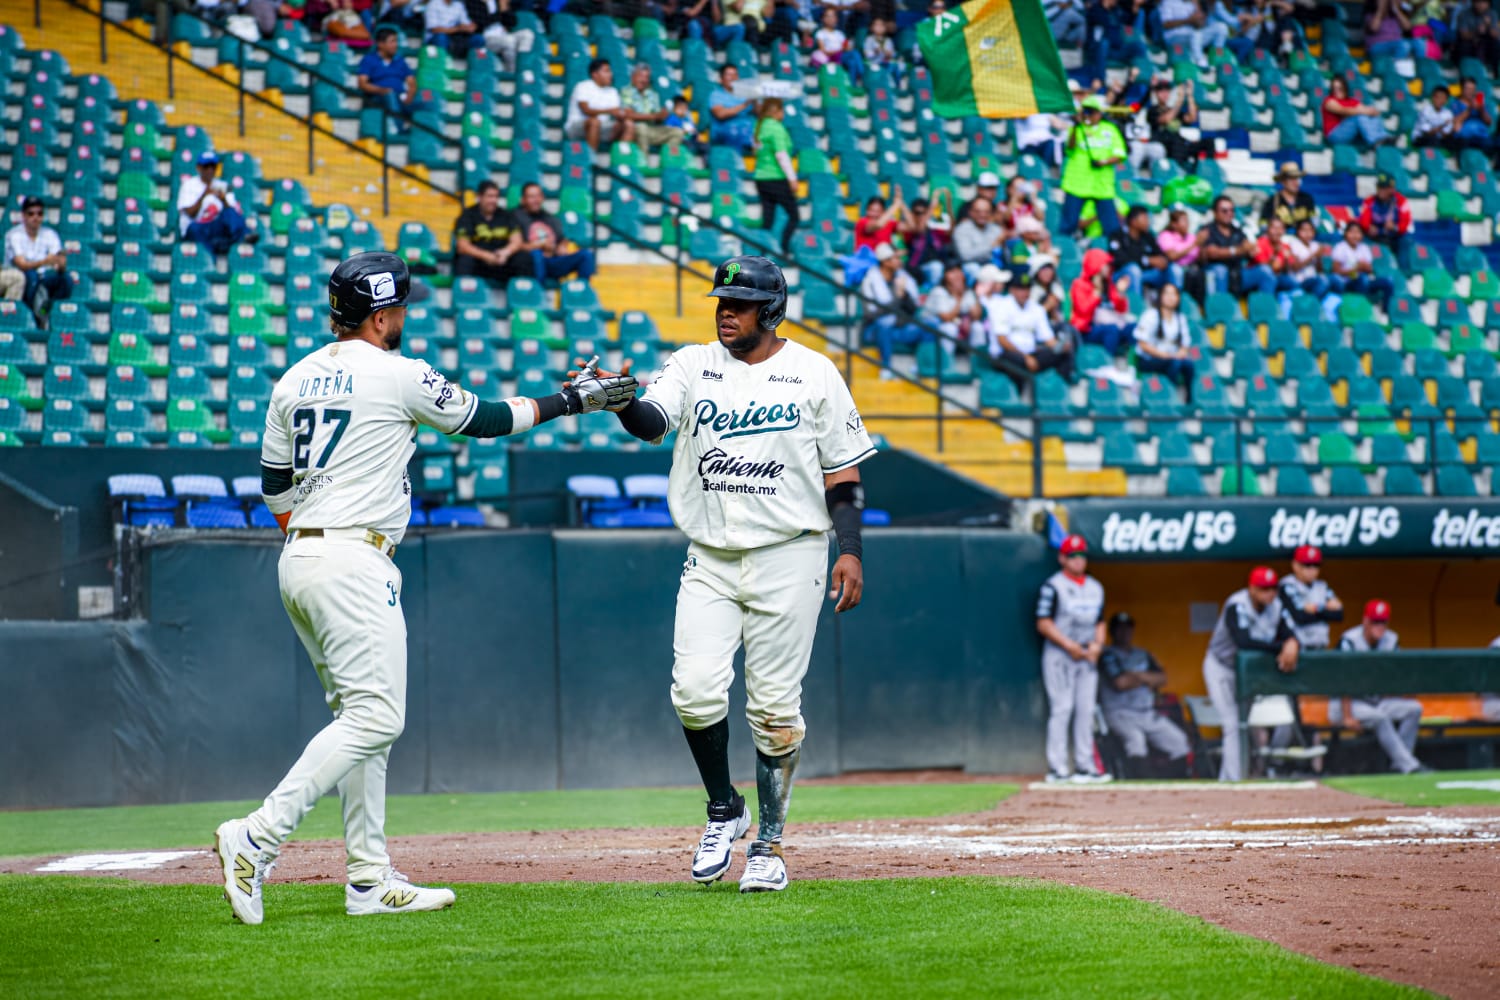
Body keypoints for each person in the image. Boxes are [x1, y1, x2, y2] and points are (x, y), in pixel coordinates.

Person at [214, 251, 636, 925]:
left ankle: (369, 879)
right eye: (400, 308)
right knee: (377, 718)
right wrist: (575, 401)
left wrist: (317, 535)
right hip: (354, 558)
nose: (404, 316)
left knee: (361, 722)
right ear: (382, 315)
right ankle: (257, 836)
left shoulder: (293, 378)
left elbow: (273, 490)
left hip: (302, 556)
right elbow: (491, 419)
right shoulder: (399, 373)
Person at [603, 254, 875, 893]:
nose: (726, 311)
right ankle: (724, 808)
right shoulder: (691, 363)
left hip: (793, 553)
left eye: (741, 303)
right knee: (694, 691)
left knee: (775, 708)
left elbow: (844, 472)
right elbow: (652, 422)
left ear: (771, 310)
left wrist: (852, 547)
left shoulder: (813, 373)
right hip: (711, 556)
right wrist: (621, 403)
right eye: (722, 301)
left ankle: (771, 846)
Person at [1202, 567, 1300, 782]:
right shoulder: (1237, 604)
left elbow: (1290, 634)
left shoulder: (1277, 607)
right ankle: (1234, 780)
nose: (1269, 593)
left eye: (1272, 588)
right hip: (1222, 667)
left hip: (1247, 673)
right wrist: (1281, 646)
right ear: (1252, 589)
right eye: (1263, 589)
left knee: (1247, 725)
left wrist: (1292, 642)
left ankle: (1239, 776)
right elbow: (1243, 642)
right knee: (1232, 723)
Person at [1036, 534, 1110, 783]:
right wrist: (1069, 645)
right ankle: (1057, 768)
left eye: (1081, 556)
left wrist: (1098, 646)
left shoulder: (1095, 587)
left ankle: (1085, 766)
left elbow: (1100, 622)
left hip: (1087, 656)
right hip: (1060, 655)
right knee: (1062, 708)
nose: (1078, 560)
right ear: (1062, 558)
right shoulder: (1053, 586)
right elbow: (1043, 623)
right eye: (1072, 556)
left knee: (1086, 710)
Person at [1335, 601, 1432, 774]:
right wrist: (1347, 716)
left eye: (1382, 622)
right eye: (1375, 622)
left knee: (1414, 709)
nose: (1379, 627)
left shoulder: (1391, 639)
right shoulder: (1349, 640)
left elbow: (1395, 674)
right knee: (1380, 718)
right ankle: (1410, 766)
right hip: (1349, 703)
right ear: (1365, 621)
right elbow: (1343, 681)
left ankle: (1400, 764)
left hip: (1376, 700)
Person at [1098, 612, 1192, 778]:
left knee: (1179, 741)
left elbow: (1162, 678)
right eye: (1120, 629)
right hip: (1119, 712)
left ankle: (1174, 785)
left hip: (1146, 712)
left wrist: (1136, 675)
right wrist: (1147, 678)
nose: (1124, 632)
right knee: (1135, 741)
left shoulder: (1142, 654)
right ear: (1112, 631)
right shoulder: (1107, 655)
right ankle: (1141, 785)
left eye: (1128, 628)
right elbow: (1121, 683)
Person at [987, 270, 1074, 382]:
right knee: (1018, 363)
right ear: (1012, 290)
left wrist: (1059, 346)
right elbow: (1002, 341)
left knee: (1064, 353)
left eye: (1027, 288)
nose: (1025, 292)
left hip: (1031, 353)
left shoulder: (1036, 309)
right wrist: (1025, 357)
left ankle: (1058, 389)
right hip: (1005, 354)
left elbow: (1048, 338)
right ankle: (1018, 396)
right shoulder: (1001, 306)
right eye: (1021, 289)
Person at [1059, 95, 1126, 239]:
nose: (1088, 115)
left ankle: (1114, 252)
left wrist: (1104, 162)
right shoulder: (1076, 129)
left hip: (1101, 186)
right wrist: (1076, 127)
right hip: (1077, 184)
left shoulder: (1110, 129)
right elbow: (1069, 148)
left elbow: (1120, 154)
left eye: (1092, 111)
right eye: (1086, 111)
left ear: (1100, 113)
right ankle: (1063, 250)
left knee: (1111, 227)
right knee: (1068, 224)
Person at [860, 243, 931, 374]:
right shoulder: (869, 281)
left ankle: (920, 367)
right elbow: (871, 314)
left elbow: (913, 309)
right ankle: (886, 368)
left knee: (929, 326)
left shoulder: (903, 278)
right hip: (874, 331)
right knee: (886, 321)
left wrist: (904, 295)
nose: (899, 261)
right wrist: (897, 297)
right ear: (885, 261)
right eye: (896, 258)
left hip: (899, 328)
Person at [4, 197, 71, 329]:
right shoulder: (14, 235)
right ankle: (33, 317)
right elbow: (21, 264)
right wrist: (45, 261)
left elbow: (59, 262)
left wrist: (61, 264)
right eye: (31, 213)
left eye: (39, 213)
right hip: (22, 276)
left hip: (44, 277)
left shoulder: (50, 234)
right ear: (23, 215)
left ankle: (45, 311)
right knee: (31, 276)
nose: (36, 217)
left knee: (65, 280)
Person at [514, 182, 598, 283]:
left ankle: (580, 293)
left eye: (538, 196)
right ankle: (538, 294)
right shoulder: (515, 217)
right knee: (537, 254)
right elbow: (514, 245)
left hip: (552, 261)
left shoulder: (551, 219)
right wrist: (539, 245)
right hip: (530, 262)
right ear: (523, 200)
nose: (536, 200)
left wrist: (562, 246)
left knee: (586, 255)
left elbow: (562, 239)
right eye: (531, 197)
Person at [177, 151, 256, 256]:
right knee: (194, 229)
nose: (210, 170)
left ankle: (244, 237)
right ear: (199, 168)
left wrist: (223, 200)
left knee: (231, 213)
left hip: (216, 227)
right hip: (197, 227)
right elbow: (191, 213)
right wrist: (204, 195)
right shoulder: (188, 185)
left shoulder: (224, 185)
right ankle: (210, 261)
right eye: (206, 166)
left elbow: (233, 213)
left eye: (213, 166)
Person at [1197, 196, 1276, 299]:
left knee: (1264, 271)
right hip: (1215, 274)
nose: (1229, 214)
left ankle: (1264, 310)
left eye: (1231, 210)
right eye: (1224, 211)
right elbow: (1212, 253)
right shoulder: (1207, 230)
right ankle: (1222, 309)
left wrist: (1251, 251)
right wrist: (1238, 250)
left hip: (1237, 274)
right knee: (1220, 271)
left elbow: (1248, 247)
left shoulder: (1237, 231)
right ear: (1215, 213)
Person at [452, 179, 529, 285]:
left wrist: (506, 252)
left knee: (523, 257)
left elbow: (517, 241)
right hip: (479, 263)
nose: (493, 200)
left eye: (496, 196)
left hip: (501, 261)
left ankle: (522, 296)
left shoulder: (506, 215)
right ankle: (466, 298)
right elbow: (462, 246)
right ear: (479, 197)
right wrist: (486, 256)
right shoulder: (467, 216)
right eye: (489, 196)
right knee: (465, 260)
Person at [357, 28, 429, 131]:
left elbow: (411, 82)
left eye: (396, 41)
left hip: (401, 96)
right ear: (380, 44)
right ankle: (399, 129)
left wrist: (410, 95)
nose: (395, 45)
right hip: (378, 97)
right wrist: (383, 90)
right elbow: (362, 84)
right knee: (390, 95)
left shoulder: (400, 60)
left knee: (428, 97)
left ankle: (423, 134)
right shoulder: (369, 59)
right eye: (392, 41)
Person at [752, 98, 799, 256]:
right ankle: (784, 249)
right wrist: (792, 178)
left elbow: (756, 150)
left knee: (768, 219)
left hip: (760, 178)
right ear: (776, 112)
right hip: (775, 177)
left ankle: (762, 252)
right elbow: (781, 155)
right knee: (794, 215)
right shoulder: (776, 128)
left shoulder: (760, 126)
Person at [1278, 545, 1343, 652]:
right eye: (1307, 565)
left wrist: (1315, 608)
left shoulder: (1322, 586)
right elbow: (1300, 616)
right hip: (1298, 649)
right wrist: (1327, 610)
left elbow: (1339, 615)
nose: (1312, 569)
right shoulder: (1287, 585)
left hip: (1321, 647)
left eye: (1316, 565)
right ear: (1295, 565)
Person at [1133, 282, 1194, 395]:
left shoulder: (1180, 318)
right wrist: (1166, 356)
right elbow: (1143, 344)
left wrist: (1180, 353)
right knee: (1174, 364)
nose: (1171, 298)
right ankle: (1170, 396)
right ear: (1160, 296)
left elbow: (1185, 345)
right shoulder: (1150, 315)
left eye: (1174, 294)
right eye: (1167, 294)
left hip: (1172, 357)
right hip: (1149, 359)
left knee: (1188, 364)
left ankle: (1189, 399)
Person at [1070, 247, 1133, 355]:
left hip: (1111, 323)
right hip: (1087, 329)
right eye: (1106, 264)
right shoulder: (1079, 284)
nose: (1108, 268)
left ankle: (1135, 364)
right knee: (1111, 330)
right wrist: (1096, 293)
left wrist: (1120, 293)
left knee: (1133, 328)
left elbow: (1121, 310)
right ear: (1096, 264)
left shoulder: (1109, 284)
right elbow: (1083, 310)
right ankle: (1108, 364)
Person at [1146, 76, 1215, 173]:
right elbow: (1166, 119)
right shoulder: (1153, 110)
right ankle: (1177, 172)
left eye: (1167, 91)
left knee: (1209, 142)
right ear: (1156, 94)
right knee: (1175, 141)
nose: (1164, 94)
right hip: (1164, 144)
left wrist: (1190, 95)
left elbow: (1192, 118)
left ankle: (1207, 170)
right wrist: (1179, 101)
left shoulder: (1174, 110)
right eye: (1161, 91)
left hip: (1179, 144)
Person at [1110, 205, 1180, 298]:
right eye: (1145, 218)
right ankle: (1137, 308)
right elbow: (1119, 259)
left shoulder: (1148, 236)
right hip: (1124, 274)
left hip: (1146, 273)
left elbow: (1159, 253)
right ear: (1133, 221)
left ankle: (1175, 306)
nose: (1148, 222)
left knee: (1174, 269)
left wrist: (1163, 261)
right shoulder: (1118, 235)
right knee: (1134, 270)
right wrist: (1146, 260)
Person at [620, 63, 683, 156]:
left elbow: (656, 116)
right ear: (633, 77)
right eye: (641, 76)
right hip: (634, 129)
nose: (644, 80)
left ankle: (670, 160)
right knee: (642, 128)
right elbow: (628, 114)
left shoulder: (652, 94)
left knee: (677, 132)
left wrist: (662, 116)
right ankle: (643, 162)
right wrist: (654, 116)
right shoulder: (626, 91)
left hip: (652, 129)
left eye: (647, 77)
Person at [1082, 0, 1146, 91]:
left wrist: (1135, 5)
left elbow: (1128, 21)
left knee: (1137, 46)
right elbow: (1098, 23)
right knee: (1103, 43)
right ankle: (1099, 78)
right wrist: (1106, 7)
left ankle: (1140, 78)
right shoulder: (1095, 9)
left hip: (1116, 50)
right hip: (1097, 49)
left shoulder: (1116, 10)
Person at [565, 58, 627, 150]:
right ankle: (591, 160)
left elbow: (616, 112)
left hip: (603, 127)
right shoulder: (583, 86)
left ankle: (620, 161)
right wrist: (610, 111)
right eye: (606, 71)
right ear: (595, 74)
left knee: (627, 125)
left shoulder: (613, 91)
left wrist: (622, 115)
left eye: (610, 71)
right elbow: (586, 110)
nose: (610, 74)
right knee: (594, 122)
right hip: (576, 127)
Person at [1329, 220, 1395, 307]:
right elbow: (1336, 271)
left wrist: (1363, 268)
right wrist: (1356, 268)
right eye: (1351, 232)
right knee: (1362, 278)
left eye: (1358, 233)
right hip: (1347, 282)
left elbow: (1370, 269)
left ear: (1362, 235)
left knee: (1388, 281)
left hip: (1364, 280)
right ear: (1346, 234)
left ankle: (1386, 311)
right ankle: (1361, 307)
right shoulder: (1340, 247)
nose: (1355, 236)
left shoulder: (1364, 248)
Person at [1285, 218, 1339, 323]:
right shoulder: (1293, 244)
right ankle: (1309, 305)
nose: (1307, 233)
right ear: (1298, 232)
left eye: (1310, 230)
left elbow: (1320, 270)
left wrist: (1319, 257)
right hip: (1299, 280)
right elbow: (1295, 267)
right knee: (1322, 281)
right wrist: (1313, 255)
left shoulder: (1315, 245)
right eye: (1304, 230)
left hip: (1314, 279)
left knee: (1331, 280)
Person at [922, 261, 982, 352]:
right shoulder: (939, 291)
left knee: (977, 327)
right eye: (952, 272)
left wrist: (976, 295)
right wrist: (959, 298)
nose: (956, 275)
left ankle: (977, 361)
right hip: (931, 327)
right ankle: (946, 360)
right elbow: (946, 318)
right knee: (949, 328)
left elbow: (976, 316)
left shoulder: (967, 291)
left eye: (959, 271)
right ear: (945, 276)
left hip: (957, 326)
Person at [465, 0, 535, 73]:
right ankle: (512, 72)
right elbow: (480, 22)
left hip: (504, 35)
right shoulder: (472, 2)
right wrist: (500, 13)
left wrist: (504, 9)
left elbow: (513, 22)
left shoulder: (498, 2)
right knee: (508, 41)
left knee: (527, 34)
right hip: (487, 38)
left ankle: (523, 64)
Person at [1323, 75, 1390, 148]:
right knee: (1359, 116)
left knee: (1373, 116)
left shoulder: (1352, 101)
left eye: (1339, 88)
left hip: (1351, 135)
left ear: (1345, 88)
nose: (1336, 91)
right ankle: (1374, 141)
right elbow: (1343, 110)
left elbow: (1369, 111)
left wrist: (1372, 112)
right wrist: (1364, 111)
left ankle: (1385, 137)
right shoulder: (1329, 101)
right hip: (1334, 135)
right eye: (1334, 88)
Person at [1358, 174, 1412, 259]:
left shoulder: (1401, 201)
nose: (1380, 190)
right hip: (1374, 236)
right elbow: (1363, 220)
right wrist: (1368, 227)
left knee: (1406, 242)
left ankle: (1401, 269)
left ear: (1392, 189)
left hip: (1394, 236)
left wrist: (1394, 227)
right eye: (1379, 187)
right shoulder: (1369, 201)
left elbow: (1405, 223)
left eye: (1384, 188)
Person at [708, 64, 756, 154]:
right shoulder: (716, 95)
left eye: (735, 74)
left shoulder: (745, 94)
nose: (733, 77)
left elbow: (759, 113)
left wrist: (756, 100)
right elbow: (720, 114)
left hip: (748, 132)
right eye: (729, 75)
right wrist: (745, 104)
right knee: (735, 130)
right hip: (725, 133)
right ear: (721, 79)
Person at [902, 198, 951, 288]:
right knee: (936, 267)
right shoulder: (908, 229)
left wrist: (948, 204)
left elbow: (950, 232)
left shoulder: (935, 230)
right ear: (912, 214)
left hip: (935, 267)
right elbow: (919, 230)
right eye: (917, 213)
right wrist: (931, 208)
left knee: (938, 266)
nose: (921, 216)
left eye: (924, 213)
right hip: (915, 269)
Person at [1160, 0, 1229, 63]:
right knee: (1195, 33)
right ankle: (1199, 60)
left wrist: (1197, 8)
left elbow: (1200, 25)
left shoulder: (1191, 3)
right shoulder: (1168, 2)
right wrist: (1188, 20)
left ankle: (1217, 55)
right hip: (1175, 37)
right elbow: (1166, 24)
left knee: (1221, 27)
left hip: (1193, 37)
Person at [811, 7, 865, 85]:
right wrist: (840, 50)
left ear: (836, 19)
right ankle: (862, 73)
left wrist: (847, 48)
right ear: (823, 19)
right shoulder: (820, 33)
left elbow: (846, 46)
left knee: (852, 62)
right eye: (827, 16)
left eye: (833, 16)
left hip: (842, 55)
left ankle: (853, 85)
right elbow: (823, 51)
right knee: (854, 54)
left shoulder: (840, 34)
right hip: (832, 57)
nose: (830, 19)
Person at [1260, 163, 1318, 230]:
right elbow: (1263, 223)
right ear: (1283, 181)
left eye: (1297, 179)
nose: (1295, 182)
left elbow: (1314, 220)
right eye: (1291, 179)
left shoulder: (1306, 198)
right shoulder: (1272, 201)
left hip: (1303, 238)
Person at [1455, 0, 1500, 74]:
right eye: (1478, 2)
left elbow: (1495, 35)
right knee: (1464, 46)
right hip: (1470, 42)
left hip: (1486, 43)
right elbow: (1463, 35)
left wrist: (1488, 26)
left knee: (1496, 44)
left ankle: (1495, 72)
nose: (1481, 5)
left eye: (1484, 2)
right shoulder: (1465, 14)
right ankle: (1464, 71)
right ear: (1473, 3)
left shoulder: (1492, 14)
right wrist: (1477, 32)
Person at [862, 16, 903, 85]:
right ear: (871, 28)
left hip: (885, 63)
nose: (879, 27)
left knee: (895, 66)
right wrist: (875, 52)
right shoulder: (869, 40)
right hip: (873, 63)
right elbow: (866, 55)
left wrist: (889, 54)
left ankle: (897, 85)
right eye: (877, 25)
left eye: (882, 25)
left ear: (885, 28)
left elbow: (893, 54)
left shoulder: (888, 40)